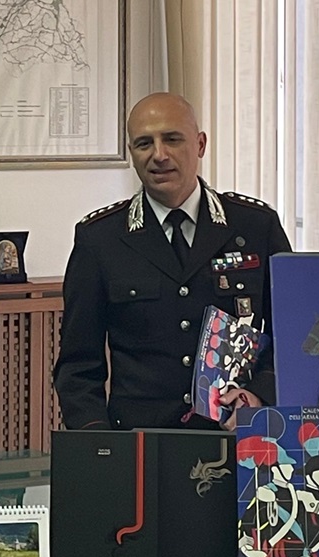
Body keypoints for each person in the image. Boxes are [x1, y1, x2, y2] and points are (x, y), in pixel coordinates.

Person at [54, 92, 292, 431]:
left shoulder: (255, 227)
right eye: (144, 144)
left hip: (236, 434)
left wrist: (260, 394)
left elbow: (290, 335)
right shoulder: (101, 239)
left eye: (172, 139)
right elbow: (78, 365)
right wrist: (99, 444)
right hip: (140, 441)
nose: (159, 155)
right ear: (132, 153)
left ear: (200, 144)